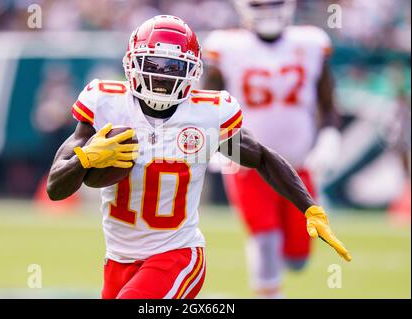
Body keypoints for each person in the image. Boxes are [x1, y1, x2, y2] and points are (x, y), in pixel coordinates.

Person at [47, 15, 350, 299]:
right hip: (118, 259)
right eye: (153, 64)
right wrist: (84, 159)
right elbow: (55, 189)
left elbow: (261, 158)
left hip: (178, 255)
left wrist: (310, 209)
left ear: (192, 70)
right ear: (132, 64)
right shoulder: (107, 105)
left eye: (173, 67)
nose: (161, 76)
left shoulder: (206, 117)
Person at [202, 0, 342, 298]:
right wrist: (212, 141)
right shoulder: (225, 46)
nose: (267, 9)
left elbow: (328, 102)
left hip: (298, 164)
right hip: (247, 162)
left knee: (298, 258)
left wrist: (330, 135)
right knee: (264, 237)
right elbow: (207, 100)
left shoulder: (311, 42)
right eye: (259, 3)